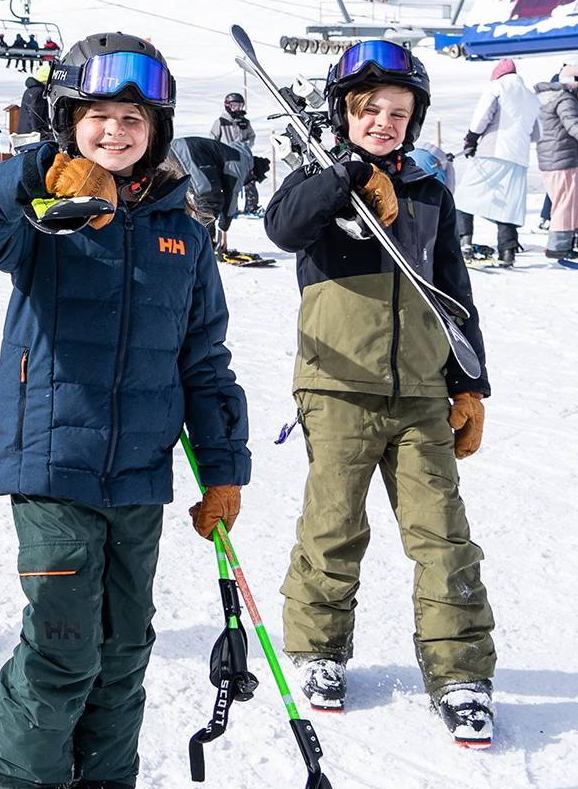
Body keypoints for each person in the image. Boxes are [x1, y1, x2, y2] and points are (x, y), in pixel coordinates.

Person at [0, 33, 250, 789]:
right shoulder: (40, 213)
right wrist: (28, 175)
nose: (113, 132)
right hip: (49, 461)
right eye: (95, 118)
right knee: (64, 634)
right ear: (66, 122)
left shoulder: (182, 232)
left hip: (140, 470)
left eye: (130, 118)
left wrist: (222, 469)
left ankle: (105, 777)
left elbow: (204, 361)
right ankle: (26, 779)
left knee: (125, 638)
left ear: (155, 126)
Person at [262, 40, 496, 746]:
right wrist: (343, 176)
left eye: (398, 112)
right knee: (333, 525)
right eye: (369, 110)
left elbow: (453, 292)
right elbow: (281, 228)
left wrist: (469, 383)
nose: (384, 122)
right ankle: (318, 650)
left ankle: (459, 672)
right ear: (343, 114)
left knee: (442, 534)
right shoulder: (316, 180)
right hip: (336, 385)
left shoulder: (428, 192)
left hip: (421, 389)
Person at [457, 60, 534, 266]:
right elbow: (538, 133)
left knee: (465, 198)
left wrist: (472, 138)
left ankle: (464, 244)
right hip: (519, 157)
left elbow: (483, 115)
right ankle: (508, 252)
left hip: (492, 151)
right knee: (508, 206)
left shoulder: (497, 87)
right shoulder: (531, 96)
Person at [536, 64, 578, 258]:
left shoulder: (553, 97)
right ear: (575, 81)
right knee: (566, 202)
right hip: (560, 159)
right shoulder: (565, 99)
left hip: (566, 158)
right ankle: (558, 245)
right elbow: (571, 122)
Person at [168, 133, 255, 257]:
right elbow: (231, 197)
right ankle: (205, 246)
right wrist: (224, 229)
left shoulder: (233, 154)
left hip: (176, 151)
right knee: (208, 198)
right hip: (184, 153)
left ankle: (190, 242)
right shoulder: (240, 163)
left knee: (182, 200)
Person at [211, 92, 260, 215]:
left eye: (239, 105)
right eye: (234, 105)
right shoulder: (221, 122)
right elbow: (213, 139)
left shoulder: (244, 122)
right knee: (231, 183)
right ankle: (232, 209)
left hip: (243, 158)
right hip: (227, 159)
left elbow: (251, 136)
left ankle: (252, 207)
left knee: (249, 181)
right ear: (227, 105)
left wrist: (245, 147)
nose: (237, 108)